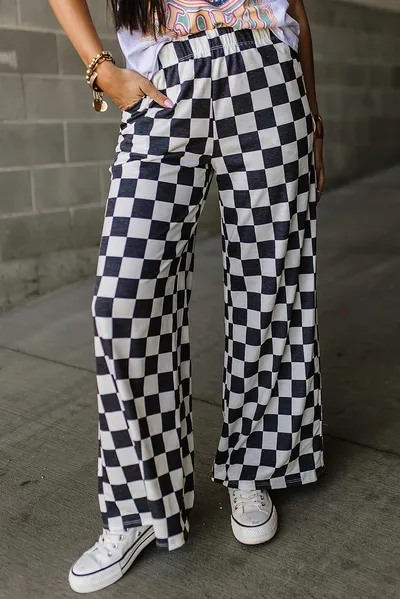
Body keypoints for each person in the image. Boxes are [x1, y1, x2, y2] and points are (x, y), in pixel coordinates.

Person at [48, 0, 325, 593]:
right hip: (164, 79)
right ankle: (139, 506)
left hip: (268, 72)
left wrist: (314, 117)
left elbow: (296, 6)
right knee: (122, 305)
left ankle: (254, 466)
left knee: (269, 282)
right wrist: (100, 67)